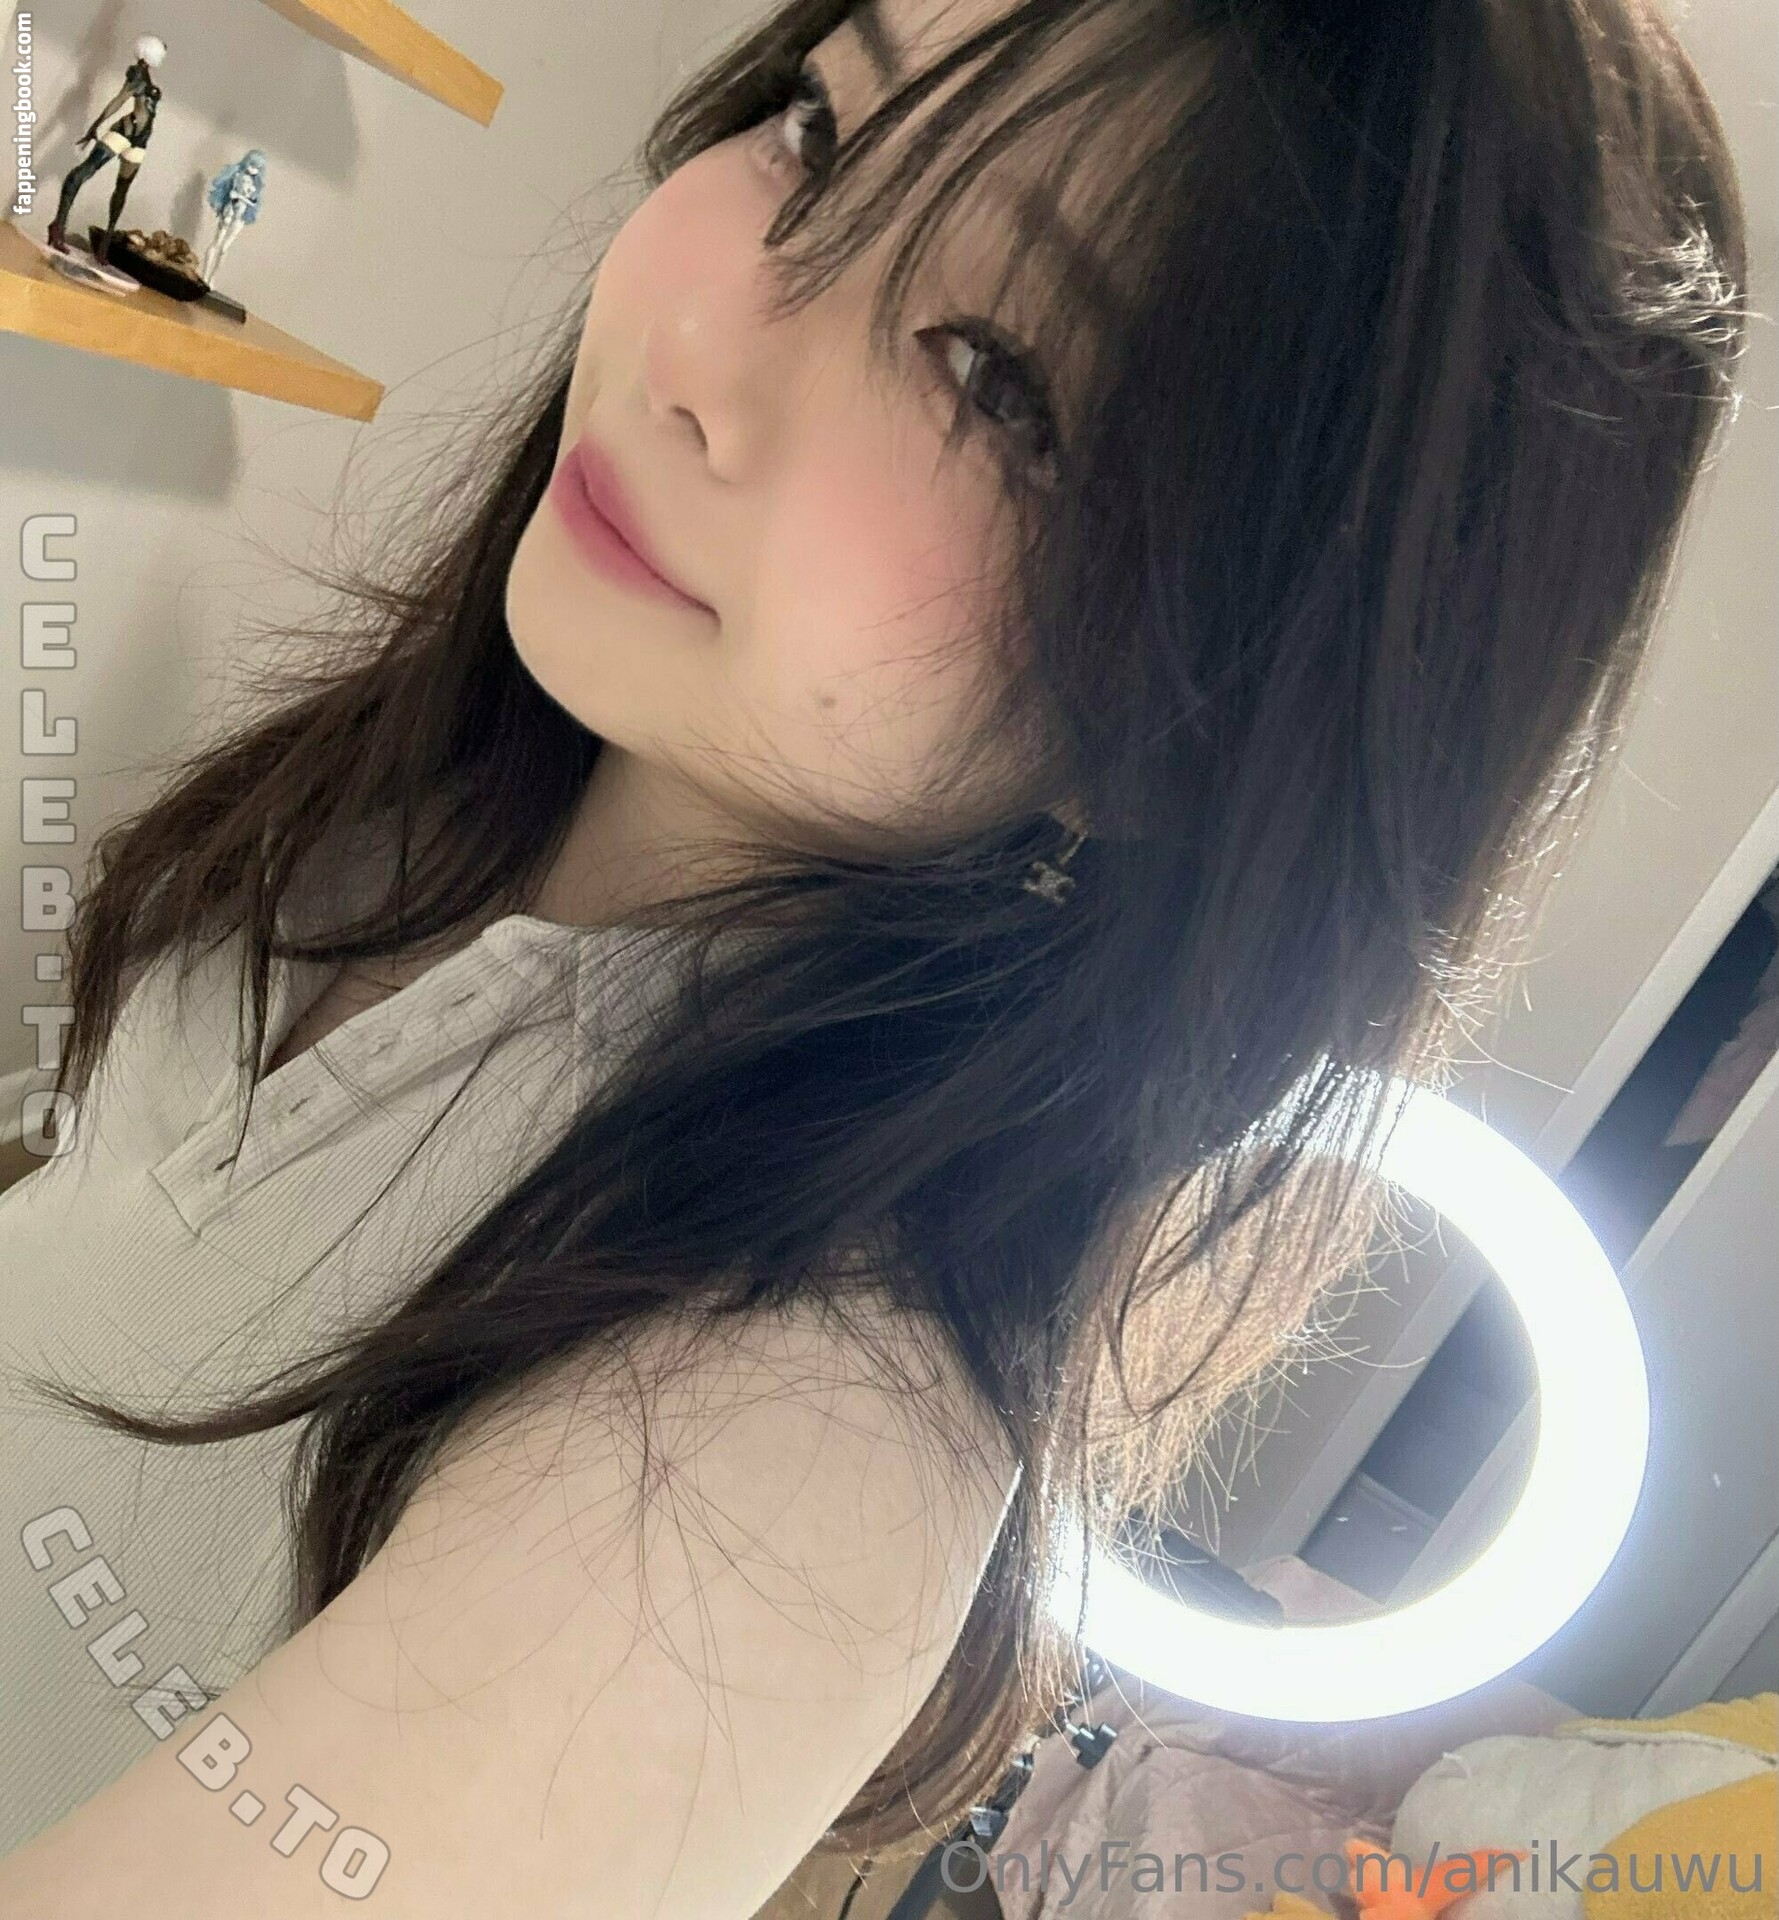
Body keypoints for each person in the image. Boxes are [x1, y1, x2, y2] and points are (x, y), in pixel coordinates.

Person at [0, 0, 1749, 1912]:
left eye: (996, 379)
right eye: (820, 133)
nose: (700, 345)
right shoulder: (450, 786)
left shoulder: (769, 1464)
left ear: (1217, 730)